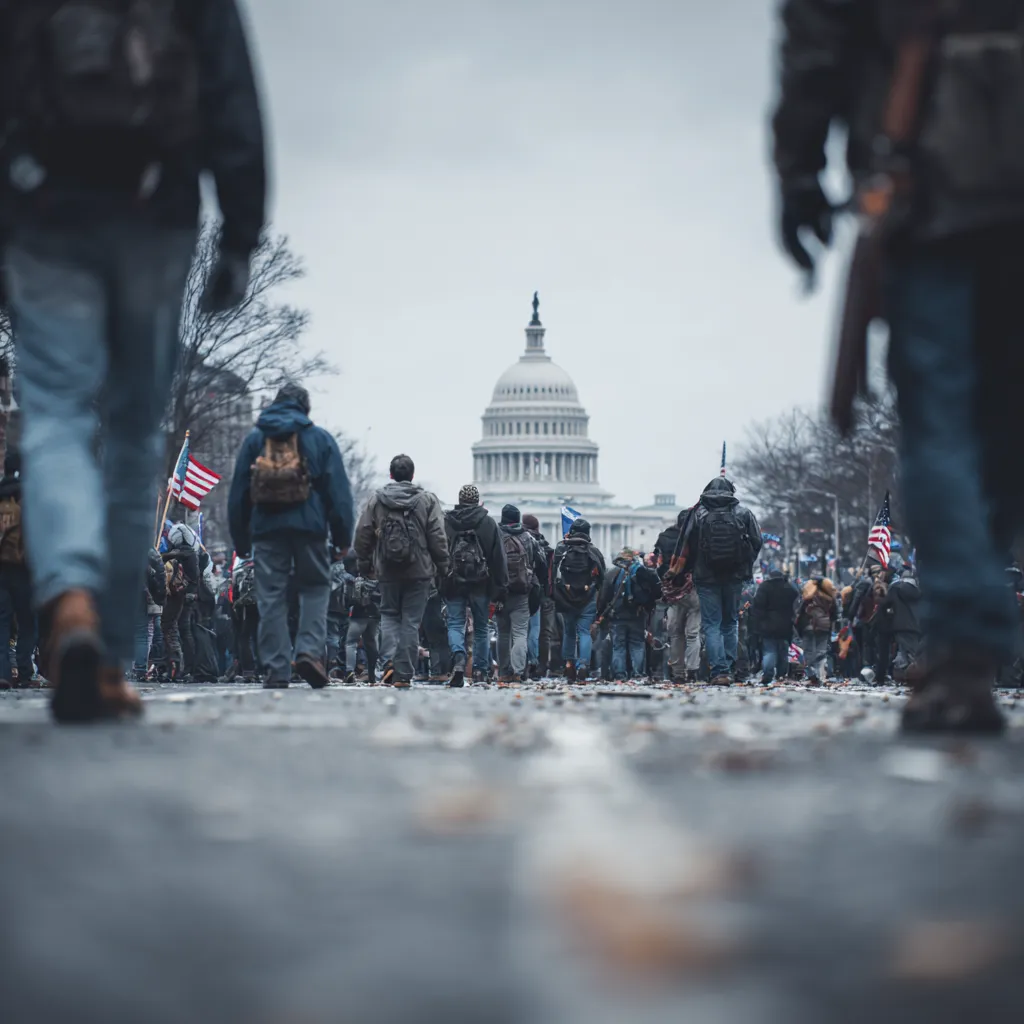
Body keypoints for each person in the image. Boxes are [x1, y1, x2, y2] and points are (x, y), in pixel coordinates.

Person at [0, 0, 266, 721]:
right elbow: (230, 88)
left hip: (42, 204)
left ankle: (72, 599)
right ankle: (111, 653)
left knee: (53, 415)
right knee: (134, 432)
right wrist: (241, 230)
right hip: (154, 204)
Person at [772, 0, 1018, 732]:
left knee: (939, 420)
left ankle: (966, 638)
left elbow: (817, 49)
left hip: (925, 173)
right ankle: (973, 621)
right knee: (1004, 423)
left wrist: (798, 172)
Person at [229, 384, 355, 690]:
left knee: (271, 597)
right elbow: (339, 494)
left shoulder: (255, 439)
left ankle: (276, 668)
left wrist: (241, 540)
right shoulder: (320, 439)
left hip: (267, 530)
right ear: (305, 408)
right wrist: (342, 538)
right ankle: (309, 653)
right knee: (314, 589)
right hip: (310, 529)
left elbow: (238, 494)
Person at [354, 454, 449, 688]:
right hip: (420, 571)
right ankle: (403, 673)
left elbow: (363, 533)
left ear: (391, 475)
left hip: (386, 569)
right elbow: (437, 536)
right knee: (410, 622)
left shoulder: (377, 500)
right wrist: (443, 565)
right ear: (412, 475)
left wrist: (365, 564)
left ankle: (388, 664)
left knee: (388, 616)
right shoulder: (427, 500)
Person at [685, 478, 762, 684]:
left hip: (706, 577)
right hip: (735, 576)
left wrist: (691, 569)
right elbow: (757, 541)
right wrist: (744, 565)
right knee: (730, 623)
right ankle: (729, 666)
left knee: (711, 625)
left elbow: (686, 544)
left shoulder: (698, 513)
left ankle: (719, 671)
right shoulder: (743, 513)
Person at [443, 484, 507, 688]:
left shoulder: (447, 522)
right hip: (481, 582)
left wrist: (439, 579)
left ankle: (459, 659)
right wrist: (500, 586)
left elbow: (439, 552)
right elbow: (498, 557)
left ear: (460, 500)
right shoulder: (487, 523)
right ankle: (480, 670)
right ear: (478, 500)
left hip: (453, 581)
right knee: (481, 628)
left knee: (454, 623)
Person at [552, 518, 606, 682]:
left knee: (568, 632)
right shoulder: (593, 551)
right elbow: (602, 578)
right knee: (584, 632)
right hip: (587, 598)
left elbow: (552, 573)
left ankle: (568, 664)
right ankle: (583, 665)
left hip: (566, 599)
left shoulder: (562, 548)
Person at [597, 548, 662, 681]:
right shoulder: (640, 571)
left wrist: (600, 613)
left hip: (618, 614)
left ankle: (620, 675)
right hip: (637, 614)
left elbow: (604, 595)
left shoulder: (612, 573)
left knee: (618, 646)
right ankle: (638, 673)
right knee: (637, 645)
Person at [496, 504, 544, 682]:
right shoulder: (528, 538)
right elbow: (540, 563)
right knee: (520, 633)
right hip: (522, 591)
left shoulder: (496, 536)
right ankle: (517, 671)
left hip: (501, 592)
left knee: (503, 633)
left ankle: (503, 672)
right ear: (517, 520)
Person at [0, 451, 36, 685]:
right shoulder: (29, 495)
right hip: (23, 569)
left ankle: (2, 673)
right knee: (28, 623)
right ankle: (24, 672)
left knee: (2, 622)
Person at [655, 508, 701, 683]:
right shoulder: (697, 537)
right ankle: (693, 670)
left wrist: (666, 582)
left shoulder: (665, 537)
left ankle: (678, 672)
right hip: (694, 589)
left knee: (675, 634)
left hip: (673, 591)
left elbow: (658, 564)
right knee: (693, 634)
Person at [751, 570, 799, 685]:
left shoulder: (765, 587)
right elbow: (796, 598)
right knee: (783, 650)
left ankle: (768, 673)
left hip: (768, 624)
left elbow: (757, 606)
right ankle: (781, 675)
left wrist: (757, 623)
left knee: (769, 650)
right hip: (786, 624)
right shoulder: (788, 587)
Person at [522, 514, 555, 679]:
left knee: (521, 630)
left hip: (523, 590)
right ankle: (540, 666)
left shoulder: (520, 542)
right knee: (542, 632)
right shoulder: (547, 548)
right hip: (543, 593)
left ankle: (523, 665)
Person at [132, 547, 166, 682]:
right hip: (148, 597)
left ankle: (130, 668)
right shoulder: (151, 552)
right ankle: (140, 669)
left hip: (135, 593)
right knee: (143, 633)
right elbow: (160, 578)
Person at [798, 576, 838, 683]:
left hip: (808, 627)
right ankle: (821, 674)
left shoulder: (808, 598)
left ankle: (811, 673)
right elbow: (834, 614)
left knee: (809, 651)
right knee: (821, 651)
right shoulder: (829, 598)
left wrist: (800, 627)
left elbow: (801, 613)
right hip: (824, 627)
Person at [345, 568, 381, 684]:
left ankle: (349, 671)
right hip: (375, 615)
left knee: (351, 643)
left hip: (359, 615)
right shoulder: (381, 581)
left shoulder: (359, 581)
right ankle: (372, 673)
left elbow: (353, 598)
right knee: (372, 645)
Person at [887, 569, 923, 681]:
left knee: (904, 653)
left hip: (898, 625)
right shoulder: (918, 591)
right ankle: (915, 677)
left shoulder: (894, 588)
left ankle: (904, 676)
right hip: (914, 626)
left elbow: (888, 607)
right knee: (912, 653)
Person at [327, 550, 354, 677]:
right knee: (347, 640)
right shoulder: (349, 573)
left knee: (332, 637)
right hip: (346, 610)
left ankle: (332, 665)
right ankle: (345, 668)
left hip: (330, 609)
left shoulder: (328, 571)